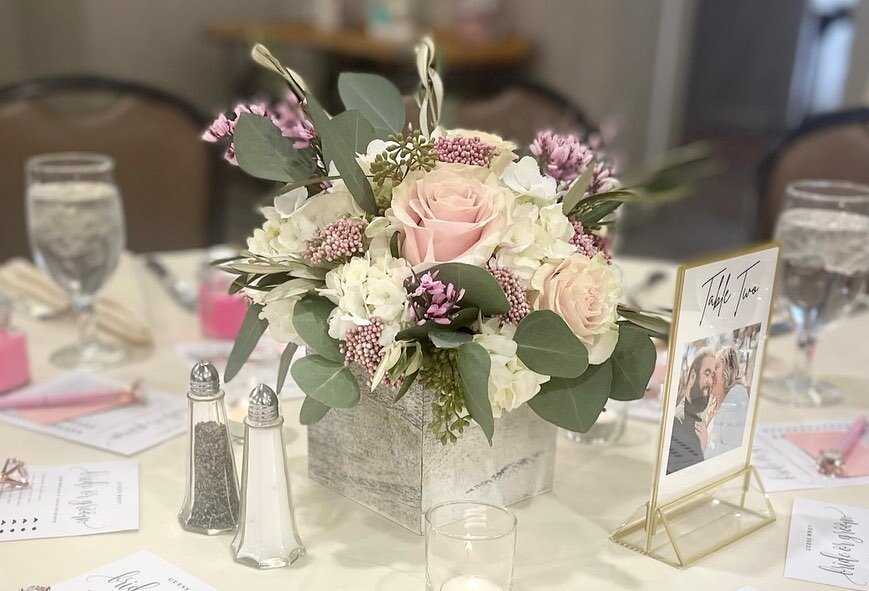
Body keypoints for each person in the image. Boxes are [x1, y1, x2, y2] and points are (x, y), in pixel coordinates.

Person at [666, 347, 715, 474]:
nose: (710, 381)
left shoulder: (697, 415)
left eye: (713, 376)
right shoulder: (677, 421)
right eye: (707, 374)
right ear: (693, 376)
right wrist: (702, 450)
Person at [697, 345, 750, 459]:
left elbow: (733, 454)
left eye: (716, 367)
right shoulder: (713, 407)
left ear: (728, 368)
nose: (712, 374)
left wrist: (705, 445)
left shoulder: (737, 393)